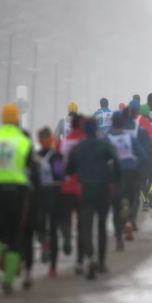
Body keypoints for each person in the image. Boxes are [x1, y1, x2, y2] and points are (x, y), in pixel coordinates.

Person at [0, 103, 39, 294]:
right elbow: (34, 169)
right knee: (14, 236)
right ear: (17, 120)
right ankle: (8, 280)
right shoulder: (24, 141)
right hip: (17, 193)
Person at [65, 117, 121, 279]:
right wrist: (116, 180)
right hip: (103, 188)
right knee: (102, 225)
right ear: (96, 129)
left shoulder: (79, 147)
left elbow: (69, 170)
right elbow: (116, 162)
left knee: (86, 225)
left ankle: (90, 257)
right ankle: (102, 262)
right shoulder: (105, 144)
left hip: (86, 189)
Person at [106, 112, 147, 242]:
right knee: (133, 196)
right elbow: (143, 156)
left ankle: (119, 232)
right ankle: (130, 219)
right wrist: (136, 165)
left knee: (116, 201)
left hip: (114, 173)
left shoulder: (107, 138)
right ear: (123, 124)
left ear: (112, 123)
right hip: (130, 170)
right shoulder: (130, 138)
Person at [55, 113, 84, 274]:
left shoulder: (63, 141)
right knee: (82, 225)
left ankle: (66, 237)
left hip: (66, 187)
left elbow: (56, 164)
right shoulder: (87, 141)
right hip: (83, 187)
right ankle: (79, 261)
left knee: (65, 218)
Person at [35, 127, 65, 278]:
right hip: (55, 194)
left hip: (39, 194)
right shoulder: (57, 156)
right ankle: (53, 267)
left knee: (39, 222)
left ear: (39, 140)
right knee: (53, 229)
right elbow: (60, 175)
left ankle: (43, 242)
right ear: (51, 139)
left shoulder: (36, 156)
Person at [124, 102, 152, 217]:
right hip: (139, 160)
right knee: (140, 183)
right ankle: (143, 204)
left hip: (122, 164)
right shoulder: (144, 123)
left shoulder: (119, 126)